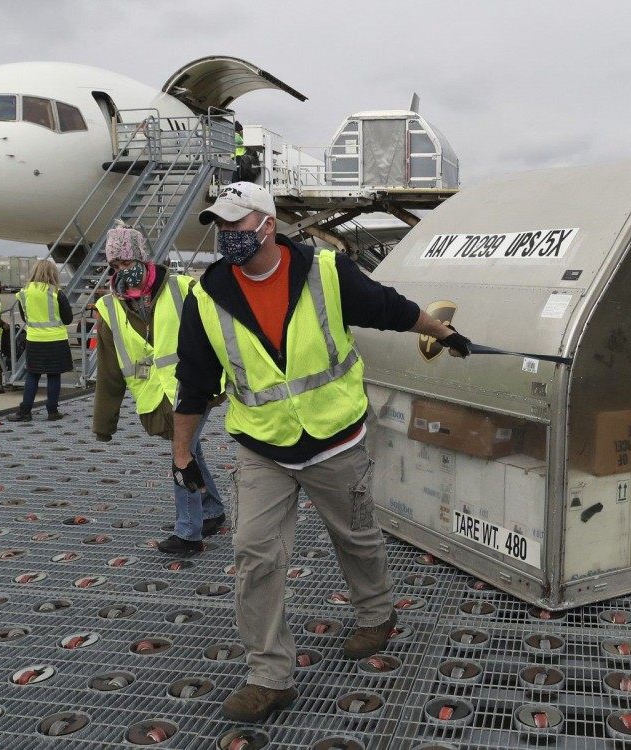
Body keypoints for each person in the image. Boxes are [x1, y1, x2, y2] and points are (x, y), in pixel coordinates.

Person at [171, 182, 472, 722]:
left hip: (336, 440)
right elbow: (193, 382)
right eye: (220, 225)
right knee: (254, 553)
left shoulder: (325, 272)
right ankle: (269, 675)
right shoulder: (206, 296)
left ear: (266, 223)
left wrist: (442, 332)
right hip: (262, 447)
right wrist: (182, 455)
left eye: (236, 225)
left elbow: (390, 310)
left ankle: (376, 616)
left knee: (355, 535)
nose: (227, 236)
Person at [92, 224, 226, 556]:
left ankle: (188, 533)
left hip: (194, 389)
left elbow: (219, 335)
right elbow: (109, 370)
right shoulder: (109, 308)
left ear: (142, 258)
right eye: (116, 266)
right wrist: (103, 424)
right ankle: (212, 509)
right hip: (157, 397)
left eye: (127, 263)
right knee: (192, 451)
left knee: (182, 455)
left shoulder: (184, 289)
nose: (123, 272)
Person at [8, 260, 73, 422]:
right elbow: (67, 319)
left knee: (32, 376)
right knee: (53, 376)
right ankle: (52, 411)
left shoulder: (24, 292)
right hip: (56, 340)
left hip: (34, 340)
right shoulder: (56, 292)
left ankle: (25, 411)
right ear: (53, 274)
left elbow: (25, 317)